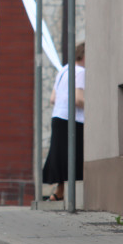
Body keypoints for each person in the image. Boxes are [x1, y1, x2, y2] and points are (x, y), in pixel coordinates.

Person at [42, 42, 85, 202]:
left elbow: (53, 98)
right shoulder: (80, 72)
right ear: (84, 55)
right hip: (73, 119)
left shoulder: (63, 70)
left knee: (60, 155)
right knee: (74, 156)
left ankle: (59, 192)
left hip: (58, 117)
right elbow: (79, 99)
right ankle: (66, 193)